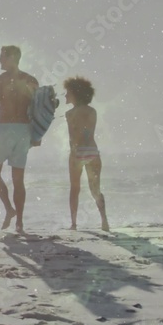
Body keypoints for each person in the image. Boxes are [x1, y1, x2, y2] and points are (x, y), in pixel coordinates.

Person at [0, 45, 38, 233]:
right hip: (24, 132)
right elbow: (38, 111)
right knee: (18, 180)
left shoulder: (0, 80)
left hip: (5, 129)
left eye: (2, 57)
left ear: (12, 57)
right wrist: (36, 135)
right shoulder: (31, 80)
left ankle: (9, 209)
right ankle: (20, 223)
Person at [63, 76, 109, 232]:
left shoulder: (69, 114)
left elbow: (74, 136)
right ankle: (104, 221)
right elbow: (88, 131)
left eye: (67, 92)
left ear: (75, 94)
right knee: (95, 188)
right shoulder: (92, 111)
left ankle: (74, 224)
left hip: (77, 152)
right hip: (92, 151)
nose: (65, 96)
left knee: (75, 188)